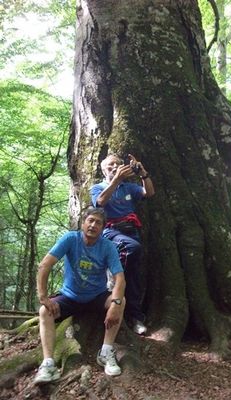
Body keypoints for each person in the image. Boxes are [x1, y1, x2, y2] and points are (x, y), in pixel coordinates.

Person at [34, 207, 126, 385]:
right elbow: (45, 265)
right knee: (45, 311)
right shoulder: (71, 239)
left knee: (120, 301)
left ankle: (106, 352)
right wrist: (43, 296)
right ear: (82, 223)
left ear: (103, 227)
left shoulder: (107, 246)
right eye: (90, 220)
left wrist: (114, 304)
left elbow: (120, 278)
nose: (93, 225)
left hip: (96, 296)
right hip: (70, 296)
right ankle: (48, 364)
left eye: (98, 222)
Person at [90, 153, 155, 335]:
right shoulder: (98, 187)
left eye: (117, 165)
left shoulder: (130, 187)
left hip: (130, 231)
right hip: (110, 232)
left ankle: (134, 317)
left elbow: (149, 193)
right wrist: (115, 180)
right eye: (110, 166)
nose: (114, 168)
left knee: (132, 277)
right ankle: (112, 280)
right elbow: (100, 202)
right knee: (131, 249)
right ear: (103, 170)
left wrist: (143, 174)